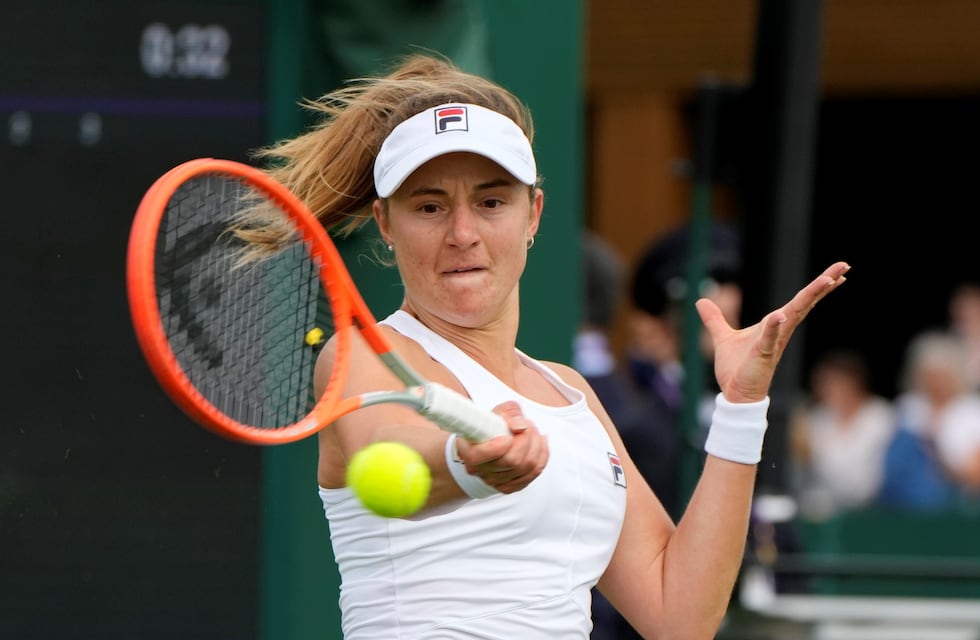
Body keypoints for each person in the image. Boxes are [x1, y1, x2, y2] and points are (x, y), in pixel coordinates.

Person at [238, 53, 850, 639]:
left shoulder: (571, 393)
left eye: (491, 202)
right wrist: (467, 461)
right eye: (429, 206)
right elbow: (391, 448)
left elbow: (680, 618)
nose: (462, 233)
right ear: (386, 225)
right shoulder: (363, 357)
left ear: (532, 216)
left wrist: (741, 407)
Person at [787, 349, 896, 519]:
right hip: (826, 509)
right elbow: (806, 475)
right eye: (821, 384)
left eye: (831, 383)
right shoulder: (818, 418)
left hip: (876, 509)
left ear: (852, 383)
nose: (823, 390)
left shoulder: (881, 415)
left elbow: (877, 474)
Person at [877, 331, 980, 510]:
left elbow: (975, 474)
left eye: (940, 375)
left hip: (959, 509)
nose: (934, 382)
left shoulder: (971, 410)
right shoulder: (908, 406)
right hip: (904, 507)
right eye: (928, 374)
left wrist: (937, 458)